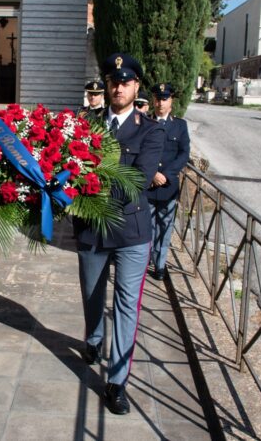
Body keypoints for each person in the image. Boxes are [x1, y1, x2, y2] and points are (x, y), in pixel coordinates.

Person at [73, 53, 165, 415]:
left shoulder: (150, 130)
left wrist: (88, 187)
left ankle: (116, 381)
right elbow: (67, 165)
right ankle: (94, 338)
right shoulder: (85, 122)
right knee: (91, 294)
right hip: (91, 230)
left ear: (136, 86)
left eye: (125, 81)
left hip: (132, 232)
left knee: (128, 305)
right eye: (113, 80)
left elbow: (139, 179)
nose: (118, 86)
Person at [147, 82, 190, 280]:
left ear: (171, 100)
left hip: (168, 185)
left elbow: (184, 153)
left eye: (164, 98)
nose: (160, 103)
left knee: (165, 225)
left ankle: (160, 263)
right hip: (147, 184)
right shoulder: (144, 122)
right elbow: (140, 151)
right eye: (157, 98)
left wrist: (166, 174)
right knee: (146, 224)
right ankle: (144, 258)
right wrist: (152, 173)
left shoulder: (180, 125)